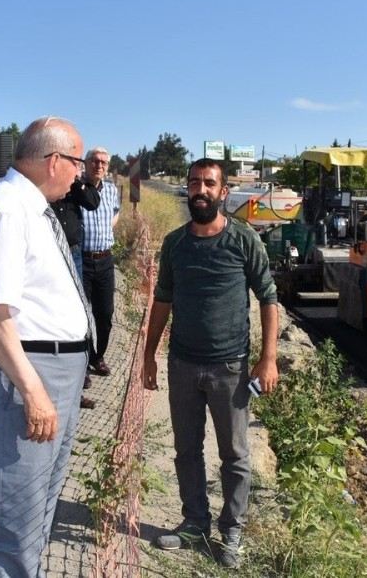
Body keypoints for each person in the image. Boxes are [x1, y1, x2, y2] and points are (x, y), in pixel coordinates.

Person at [0, 116, 93, 577]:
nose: (80, 174)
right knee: (15, 517)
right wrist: (34, 393)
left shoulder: (27, 208)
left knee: (37, 507)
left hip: (48, 371)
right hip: (23, 375)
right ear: (55, 161)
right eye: (76, 163)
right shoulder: (8, 210)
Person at [142, 158, 279, 569]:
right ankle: (194, 523)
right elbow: (162, 301)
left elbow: (268, 297)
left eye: (208, 184)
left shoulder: (243, 240)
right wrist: (149, 356)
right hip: (183, 364)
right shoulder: (175, 245)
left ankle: (232, 531)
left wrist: (267, 358)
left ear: (223, 192)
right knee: (186, 449)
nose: (200, 190)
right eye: (194, 183)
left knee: (235, 454)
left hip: (231, 369)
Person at [50, 176, 101, 409]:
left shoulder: (76, 186)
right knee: (53, 320)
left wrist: (75, 181)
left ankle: (77, 383)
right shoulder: (44, 187)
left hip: (74, 253)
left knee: (77, 315)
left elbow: (92, 202)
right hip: (50, 256)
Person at [80, 147, 120, 377]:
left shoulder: (112, 190)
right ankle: (81, 366)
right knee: (82, 316)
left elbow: (116, 213)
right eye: (95, 161)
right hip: (82, 261)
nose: (99, 165)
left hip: (105, 260)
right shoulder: (76, 188)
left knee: (104, 315)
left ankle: (98, 357)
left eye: (104, 162)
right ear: (86, 163)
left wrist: (105, 233)